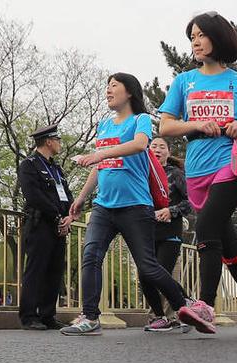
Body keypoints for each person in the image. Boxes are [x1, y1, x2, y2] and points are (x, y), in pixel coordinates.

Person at [158, 12, 237, 336]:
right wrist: (197, 124)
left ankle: (205, 305)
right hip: (197, 168)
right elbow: (166, 125)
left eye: (201, 35)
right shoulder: (185, 81)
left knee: (208, 226)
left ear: (218, 37)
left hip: (230, 163)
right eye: (192, 37)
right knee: (227, 243)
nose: (195, 42)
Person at [61, 73, 189, 336]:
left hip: (135, 206)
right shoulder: (104, 126)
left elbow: (140, 144)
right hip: (103, 206)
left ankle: (185, 305)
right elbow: (100, 166)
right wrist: (82, 197)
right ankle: (90, 316)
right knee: (91, 256)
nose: (108, 90)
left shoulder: (140, 120)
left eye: (113, 86)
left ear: (129, 91)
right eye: (106, 86)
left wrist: (99, 153)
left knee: (147, 266)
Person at [17, 124, 73, 331]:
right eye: (57, 140)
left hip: (59, 225)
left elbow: (67, 195)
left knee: (55, 271)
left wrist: (68, 217)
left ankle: (48, 314)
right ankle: (29, 315)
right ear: (48, 141)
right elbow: (33, 195)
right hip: (40, 223)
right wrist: (56, 215)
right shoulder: (29, 165)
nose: (59, 144)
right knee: (36, 270)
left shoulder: (57, 169)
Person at [142, 136, 192, 332]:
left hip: (170, 231)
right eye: (153, 146)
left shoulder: (176, 174)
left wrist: (171, 211)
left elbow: (191, 201)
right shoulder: (141, 173)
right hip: (146, 231)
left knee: (160, 272)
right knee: (144, 276)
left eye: (162, 147)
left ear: (168, 153)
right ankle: (160, 317)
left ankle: (185, 304)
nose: (157, 149)